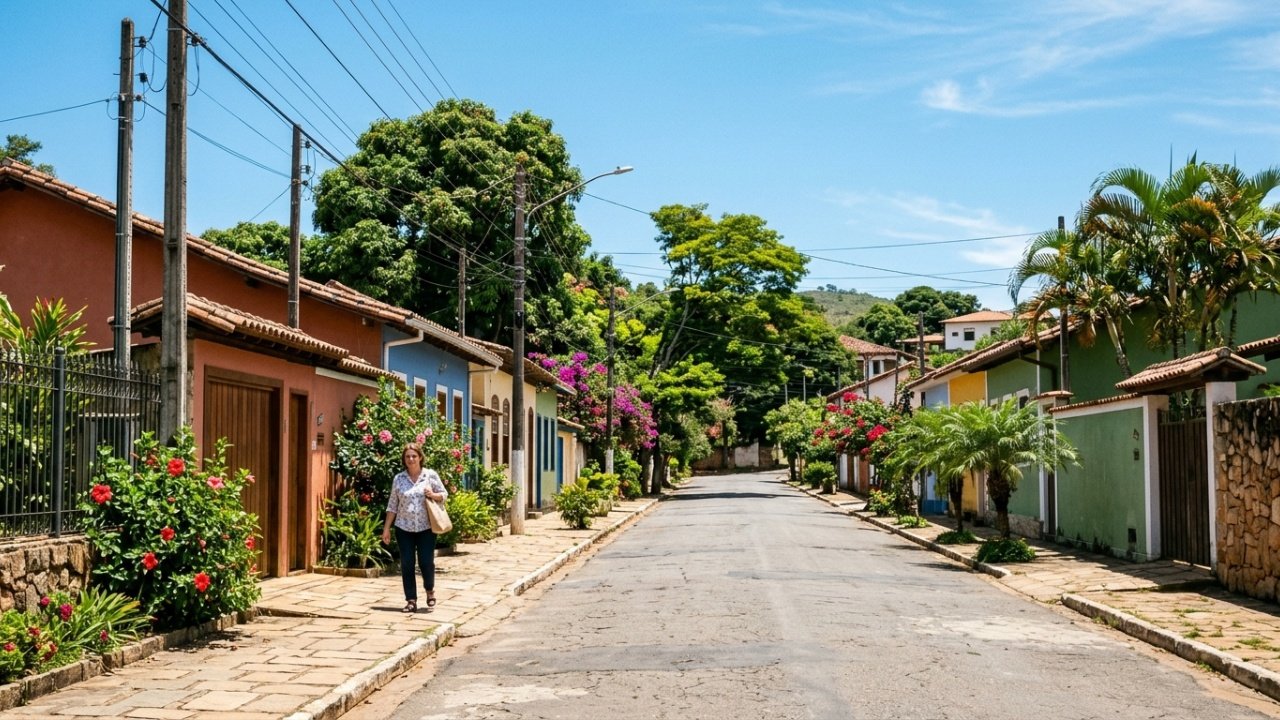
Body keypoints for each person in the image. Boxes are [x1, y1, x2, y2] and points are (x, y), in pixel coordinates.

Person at [381, 442, 448, 613]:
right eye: (408, 456)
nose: (411, 459)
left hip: (426, 528)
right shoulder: (399, 479)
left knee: (426, 562)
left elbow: (444, 494)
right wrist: (386, 528)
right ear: (404, 459)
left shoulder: (430, 475)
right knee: (407, 564)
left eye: (414, 456)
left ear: (420, 457)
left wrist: (433, 495)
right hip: (404, 528)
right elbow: (392, 505)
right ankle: (411, 600)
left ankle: (429, 589)